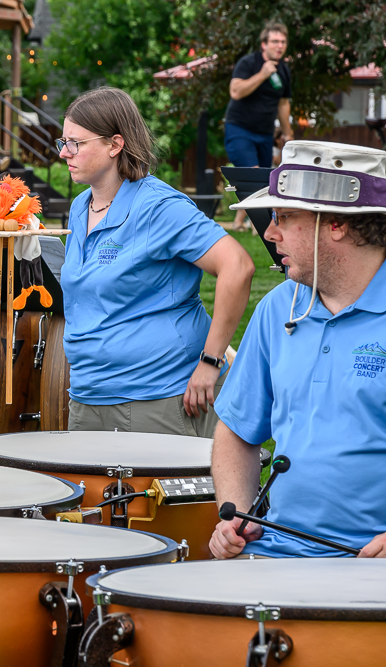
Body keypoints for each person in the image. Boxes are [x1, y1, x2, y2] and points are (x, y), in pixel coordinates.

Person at [209, 140, 386, 559]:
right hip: (275, 550)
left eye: (284, 217)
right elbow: (236, 432)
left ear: (336, 223)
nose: (270, 233)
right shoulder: (278, 307)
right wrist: (236, 513)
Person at [57, 87, 255, 436]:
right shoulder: (80, 207)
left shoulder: (159, 207)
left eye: (75, 143)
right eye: (63, 141)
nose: (63, 153)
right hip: (88, 396)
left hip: (158, 397)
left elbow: (237, 266)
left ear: (115, 145)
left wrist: (211, 361)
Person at [225, 21, 293, 232]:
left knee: (263, 182)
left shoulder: (284, 71)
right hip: (239, 129)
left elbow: (283, 103)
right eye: (275, 41)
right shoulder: (249, 63)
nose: (279, 46)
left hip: (265, 134)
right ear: (264, 44)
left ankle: (244, 224)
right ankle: (262, 226)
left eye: (283, 42)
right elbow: (235, 91)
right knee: (253, 176)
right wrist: (262, 74)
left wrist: (288, 134)